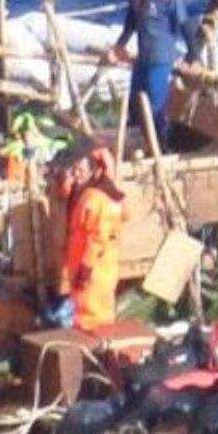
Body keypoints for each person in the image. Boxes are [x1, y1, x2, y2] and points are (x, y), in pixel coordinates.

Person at [106, 0, 192, 151]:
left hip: (160, 58)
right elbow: (131, 21)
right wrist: (120, 45)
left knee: (155, 106)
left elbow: (184, 25)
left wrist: (193, 54)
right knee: (135, 101)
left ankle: (161, 146)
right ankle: (138, 140)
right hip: (143, 57)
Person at [55, 140, 125, 330]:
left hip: (96, 269)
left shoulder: (99, 197)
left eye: (79, 169)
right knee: (83, 312)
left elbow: (98, 238)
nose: (75, 174)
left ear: (93, 169)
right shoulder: (84, 192)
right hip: (81, 268)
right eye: (73, 169)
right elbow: (66, 189)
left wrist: (86, 268)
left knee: (95, 316)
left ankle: (100, 347)